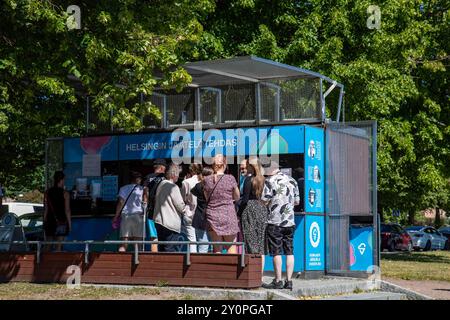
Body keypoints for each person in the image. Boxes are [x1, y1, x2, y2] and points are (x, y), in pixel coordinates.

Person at [261, 161, 300, 290]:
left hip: (275, 221)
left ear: (269, 170)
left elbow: (264, 200)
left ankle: (278, 280)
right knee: (289, 251)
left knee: (276, 251)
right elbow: (296, 201)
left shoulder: (269, 181)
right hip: (289, 221)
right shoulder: (292, 180)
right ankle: (289, 281)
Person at [204, 154, 240, 254]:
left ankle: (218, 269)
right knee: (231, 247)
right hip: (228, 215)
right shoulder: (230, 178)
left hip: (212, 216)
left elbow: (207, 198)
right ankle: (232, 269)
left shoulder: (207, 180)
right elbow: (237, 197)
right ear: (224, 164)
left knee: (217, 249)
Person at [238, 158, 268, 275]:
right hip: (261, 208)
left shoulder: (248, 179)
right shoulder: (262, 179)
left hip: (249, 209)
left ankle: (252, 274)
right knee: (260, 245)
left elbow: (245, 199)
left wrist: (238, 213)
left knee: (250, 242)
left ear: (250, 166)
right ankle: (259, 275)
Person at [153, 164, 187, 252]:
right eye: (178, 174)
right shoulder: (173, 187)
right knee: (170, 250)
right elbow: (180, 205)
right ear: (173, 174)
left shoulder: (160, 184)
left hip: (159, 221)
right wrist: (185, 208)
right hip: (170, 223)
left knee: (162, 249)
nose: (178, 177)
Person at [113, 171, 148, 252]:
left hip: (126, 216)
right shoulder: (142, 189)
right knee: (137, 244)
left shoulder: (123, 188)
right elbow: (145, 203)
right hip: (138, 216)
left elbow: (121, 203)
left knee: (124, 244)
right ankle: (137, 262)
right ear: (138, 179)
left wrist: (116, 216)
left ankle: (120, 261)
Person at [43, 171, 71, 251]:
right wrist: (69, 224)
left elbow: (46, 209)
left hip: (50, 221)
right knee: (59, 245)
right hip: (61, 221)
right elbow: (67, 210)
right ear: (61, 180)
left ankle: (45, 261)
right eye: (64, 180)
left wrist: (45, 221)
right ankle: (56, 262)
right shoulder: (65, 193)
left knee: (48, 244)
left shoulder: (47, 193)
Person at [144, 158, 167, 252]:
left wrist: (145, 203)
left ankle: (155, 258)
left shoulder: (148, 177)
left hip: (152, 210)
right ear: (162, 168)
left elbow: (145, 192)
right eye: (165, 167)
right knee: (165, 235)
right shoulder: (166, 177)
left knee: (154, 236)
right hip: (164, 210)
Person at [190, 166, 214, 253]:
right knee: (212, 247)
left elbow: (192, 191)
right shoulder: (213, 187)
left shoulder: (198, 186)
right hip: (210, 219)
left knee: (202, 246)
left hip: (199, 219)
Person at [181, 163, 202, 253]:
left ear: (190, 171)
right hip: (201, 212)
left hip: (189, 212)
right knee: (202, 240)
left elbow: (183, 198)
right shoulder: (204, 180)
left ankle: (193, 261)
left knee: (191, 240)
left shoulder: (186, 182)